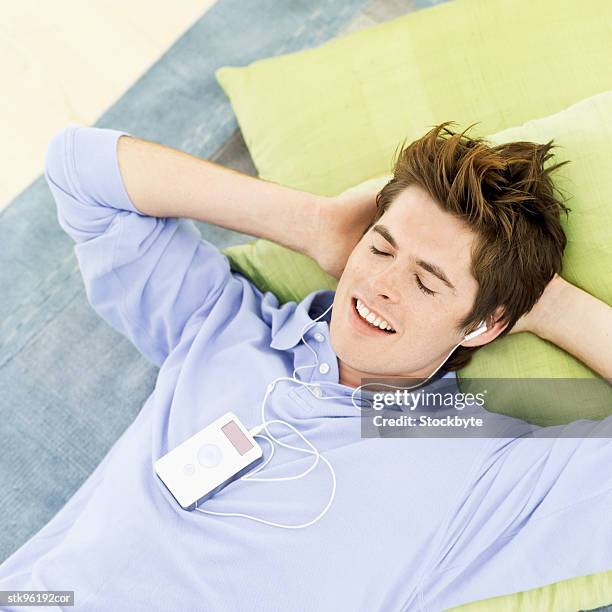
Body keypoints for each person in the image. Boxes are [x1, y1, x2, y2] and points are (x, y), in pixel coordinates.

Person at [0, 122, 609, 611]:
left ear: (484, 324)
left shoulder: (480, 472)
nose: (380, 285)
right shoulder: (225, 325)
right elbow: (80, 168)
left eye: (426, 282)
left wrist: (549, 306)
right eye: (379, 247)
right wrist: (312, 223)